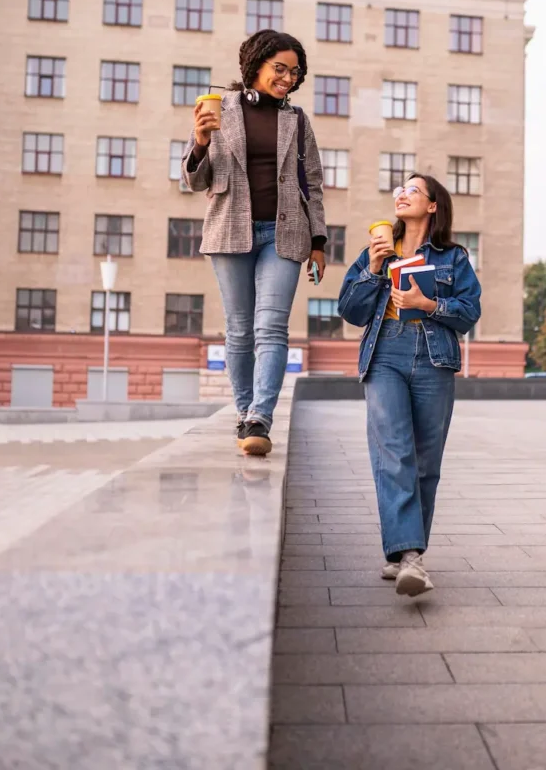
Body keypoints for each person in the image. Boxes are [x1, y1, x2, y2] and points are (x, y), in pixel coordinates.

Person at [182, 30, 327, 457]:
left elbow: (313, 184)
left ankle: (261, 416)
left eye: (294, 72)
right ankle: (245, 414)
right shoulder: (218, 110)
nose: (287, 78)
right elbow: (193, 181)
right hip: (229, 232)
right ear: (256, 66)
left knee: (271, 327)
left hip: (285, 233)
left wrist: (319, 240)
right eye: (279, 68)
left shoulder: (296, 120)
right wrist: (201, 142)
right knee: (240, 330)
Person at [338, 173, 481, 596]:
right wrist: (376, 267)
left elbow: (469, 312)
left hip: (434, 357)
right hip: (385, 355)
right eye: (400, 188)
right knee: (393, 451)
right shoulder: (377, 250)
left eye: (413, 190)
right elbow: (350, 309)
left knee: (425, 461)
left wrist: (427, 303)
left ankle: (402, 554)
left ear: (433, 206)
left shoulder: (453, 258)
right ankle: (410, 555)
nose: (402, 193)